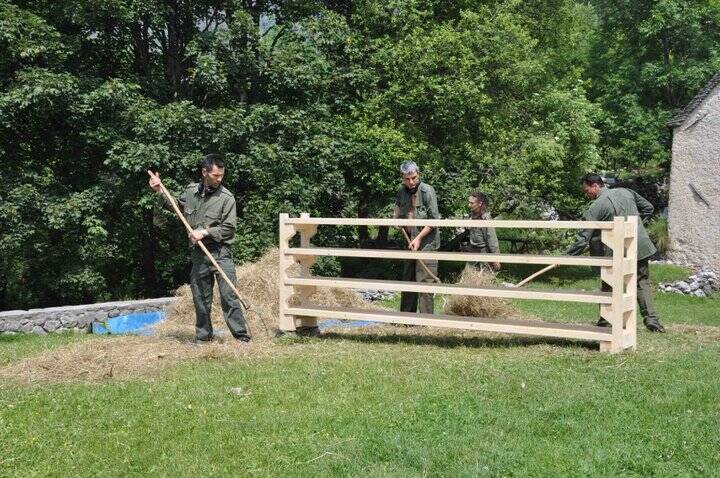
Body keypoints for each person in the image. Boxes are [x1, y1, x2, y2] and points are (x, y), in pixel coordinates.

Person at [149, 154, 251, 343]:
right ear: (204, 172)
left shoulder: (227, 198)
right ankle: (204, 338)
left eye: (222, 175)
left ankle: (241, 338)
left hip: (221, 253)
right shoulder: (190, 192)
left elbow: (229, 229)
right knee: (201, 298)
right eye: (215, 175)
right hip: (198, 255)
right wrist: (160, 191)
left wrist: (204, 233)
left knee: (229, 296)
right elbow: (176, 206)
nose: (219, 179)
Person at [566, 173, 665, 333]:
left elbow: (584, 238)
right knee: (641, 282)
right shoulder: (626, 192)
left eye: (586, 191)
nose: (586, 195)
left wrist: (566, 257)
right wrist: (635, 228)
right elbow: (648, 208)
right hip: (639, 245)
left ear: (595, 186)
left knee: (608, 286)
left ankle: (606, 323)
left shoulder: (596, 206)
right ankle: (652, 322)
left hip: (614, 251)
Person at [392, 161, 441, 314]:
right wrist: (395, 219)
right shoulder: (401, 191)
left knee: (426, 281)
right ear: (402, 178)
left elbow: (433, 220)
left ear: (418, 174)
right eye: (407, 179)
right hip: (409, 242)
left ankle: (426, 320)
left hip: (427, 244)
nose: (411, 182)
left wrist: (418, 238)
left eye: (414, 178)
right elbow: (397, 208)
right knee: (408, 280)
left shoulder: (427, 191)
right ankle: (406, 319)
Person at [448, 192, 501, 272]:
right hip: (472, 249)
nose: (469, 205)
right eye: (469, 202)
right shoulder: (472, 216)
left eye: (472, 203)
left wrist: (496, 258)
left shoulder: (486, 218)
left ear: (480, 203)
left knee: (485, 276)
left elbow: (492, 239)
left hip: (484, 251)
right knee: (468, 274)